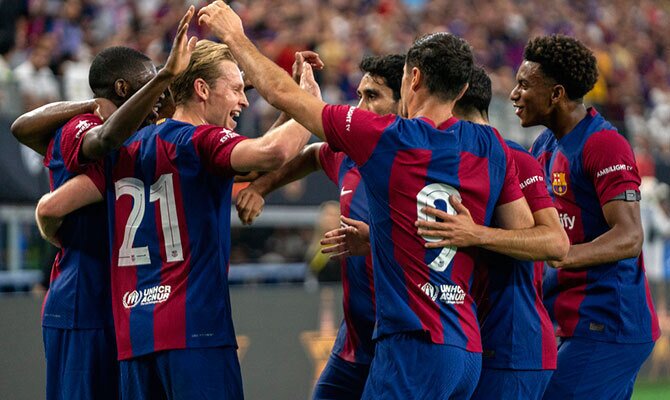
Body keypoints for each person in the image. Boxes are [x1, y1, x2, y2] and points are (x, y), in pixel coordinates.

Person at [198, 3, 535, 397]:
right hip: (465, 348)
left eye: (371, 95)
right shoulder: (490, 144)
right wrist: (473, 233)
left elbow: (282, 95)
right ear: (462, 90)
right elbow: (527, 234)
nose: (362, 103)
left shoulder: (387, 138)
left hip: (413, 341)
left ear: (413, 77)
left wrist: (235, 36)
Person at [35, 39, 320, 399]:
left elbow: (49, 203)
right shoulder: (202, 144)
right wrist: (306, 100)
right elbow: (274, 150)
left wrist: (56, 236)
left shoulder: (124, 148)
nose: (244, 100)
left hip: (134, 337)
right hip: (195, 331)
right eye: (235, 89)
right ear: (201, 89)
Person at [322, 66, 566, 400]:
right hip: (472, 341)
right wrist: (378, 238)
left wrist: (476, 233)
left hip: (512, 346)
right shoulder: (452, 160)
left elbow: (555, 243)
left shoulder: (510, 157)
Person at [11, 8, 197, 400]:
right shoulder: (84, 128)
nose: (159, 95)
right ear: (124, 89)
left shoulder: (136, 140)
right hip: (82, 303)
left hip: (118, 303)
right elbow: (94, 145)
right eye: (149, 85)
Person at [235, 54, 405, 399]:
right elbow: (314, 154)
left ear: (405, 103)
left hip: (402, 335)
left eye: (372, 97)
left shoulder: (416, 158)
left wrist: (376, 241)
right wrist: (261, 187)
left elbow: (443, 242)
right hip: (354, 339)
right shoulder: (349, 154)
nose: (359, 107)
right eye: (359, 95)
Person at [510, 34, 660, 399]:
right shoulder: (544, 147)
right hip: (571, 323)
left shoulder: (604, 145)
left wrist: (560, 253)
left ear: (557, 94)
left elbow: (629, 236)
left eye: (524, 84)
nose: (514, 93)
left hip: (609, 323)